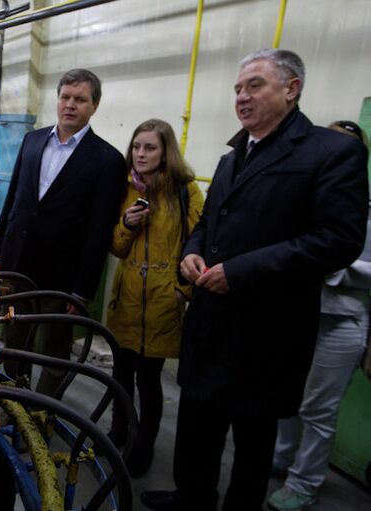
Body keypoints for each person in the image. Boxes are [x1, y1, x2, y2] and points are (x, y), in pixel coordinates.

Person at [142, 49, 368, 511]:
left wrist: (243, 272)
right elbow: (208, 224)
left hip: (269, 331)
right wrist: (192, 252)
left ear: (291, 88)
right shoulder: (233, 155)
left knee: (252, 444)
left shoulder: (331, 152)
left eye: (255, 86)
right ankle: (192, 497)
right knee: (196, 429)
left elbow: (339, 239)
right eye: (238, 89)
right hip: (211, 321)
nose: (242, 97)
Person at [0, 68, 127, 395]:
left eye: (80, 99)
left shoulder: (107, 160)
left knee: (54, 351)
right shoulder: (33, 141)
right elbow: (13, 205)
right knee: (13, 342)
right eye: (65, 97)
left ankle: (42, 414)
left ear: (94, 106)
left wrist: (82, 290)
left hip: (62, 278)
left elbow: (99, 231)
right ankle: (15, 404)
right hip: (18, 267)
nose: (70, 105)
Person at [267, 121, 371, 511]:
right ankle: (279, 459)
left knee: (319, 409)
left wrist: (334, 266)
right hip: (297, 309)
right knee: (287, 395)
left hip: (343, 317)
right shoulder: (307, 194)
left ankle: (304, 483)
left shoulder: (366, 203)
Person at [106, 119, 204, 477]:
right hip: (127, 296)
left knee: (149, 381)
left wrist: (182, 291)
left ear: (166, 153)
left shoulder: (185, 190)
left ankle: (143, 445)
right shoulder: (124, 189)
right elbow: (116, 247)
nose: (141, 154)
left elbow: (199, 242)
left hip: (164, 300)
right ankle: (118, 430)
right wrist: (127, 225)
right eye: (136, 147)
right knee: (120, 373)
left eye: (150, 148)